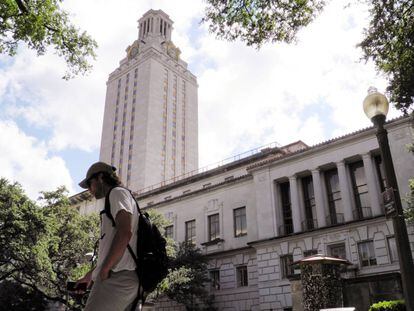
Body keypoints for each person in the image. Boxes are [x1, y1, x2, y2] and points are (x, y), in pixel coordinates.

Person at [76, 162, 139, 311]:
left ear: (101, 178)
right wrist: (91, 276)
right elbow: (114, 244)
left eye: (90, 184)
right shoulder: (117, 196)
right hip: (122, 276)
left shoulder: (117, 193)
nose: (89, 190)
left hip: (117, 276)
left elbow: (125, 233)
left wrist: (105, 270)